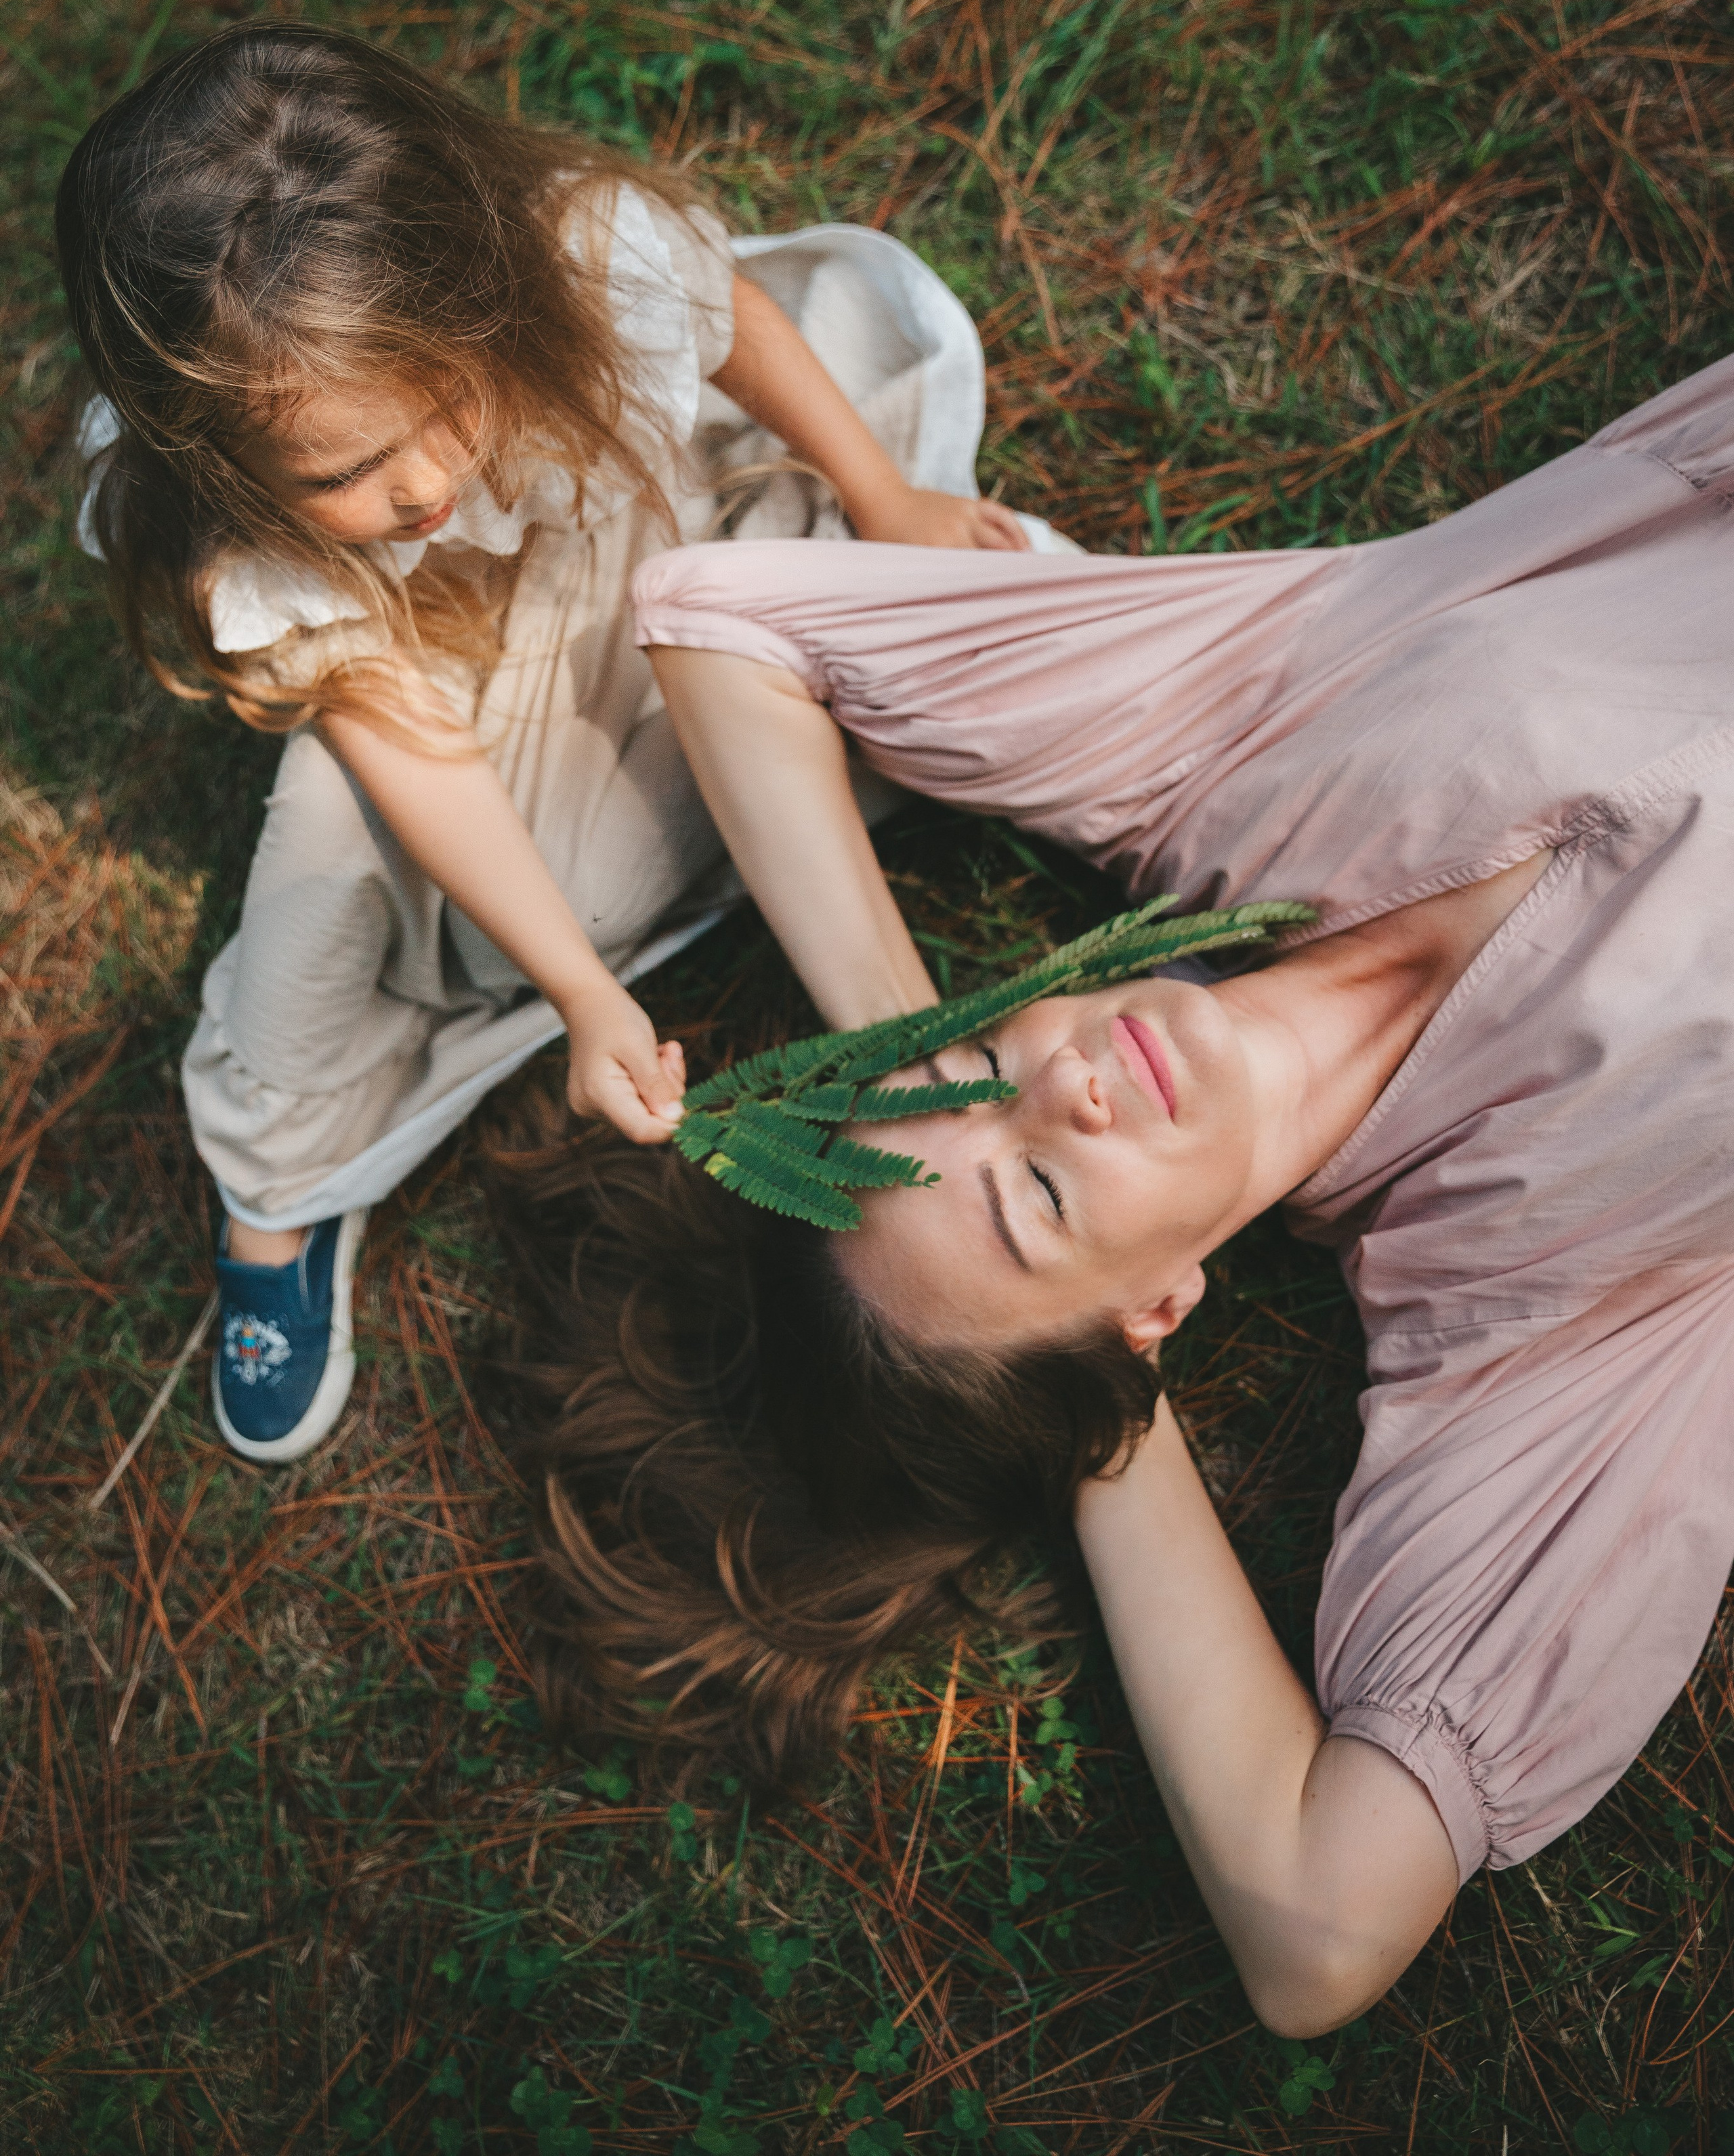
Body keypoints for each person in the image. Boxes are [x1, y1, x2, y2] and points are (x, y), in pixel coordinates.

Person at [505, 351, 1734, 2039]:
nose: (1062, 1085)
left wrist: (907, 1044)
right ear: (1150, 1316)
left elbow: (718, 620)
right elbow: (1313, 1931)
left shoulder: (1217, 767)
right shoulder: (1528, 1308)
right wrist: (1092, 1418)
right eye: (1038, 1201)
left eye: (973, 1078)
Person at [58, 20, 1055, 1465]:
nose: (420, 484)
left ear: (477, 283)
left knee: (922, 629)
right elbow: (403, 734)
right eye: (342, 471)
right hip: (439, 652)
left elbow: (734, 325)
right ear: (227, 463)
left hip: (624, 515)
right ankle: (272, 1193)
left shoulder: (581, 261)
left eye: (440, 405)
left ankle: (803, 699)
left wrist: (882, 493)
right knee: (339, 863)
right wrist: (584, 996)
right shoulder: (246, 525)